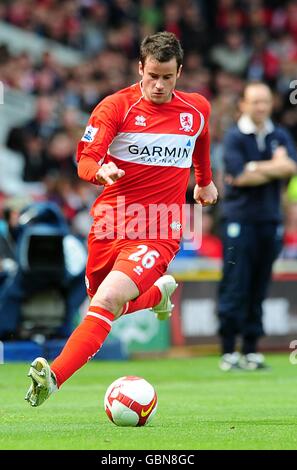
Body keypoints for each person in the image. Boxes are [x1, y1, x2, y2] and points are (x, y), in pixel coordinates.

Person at [25, 31, 218, 406]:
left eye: (167, 77)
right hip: (111, 224)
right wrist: (101, 172)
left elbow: (203, 137)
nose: (159, 85)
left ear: (179, 72)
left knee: (110, 297)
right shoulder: (115, 107)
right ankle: (158, 293)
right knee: (99, 298)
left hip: (161, 226)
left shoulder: (196, 109)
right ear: (140, 68)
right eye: (152, 76)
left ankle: (54, 376)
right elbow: (84, 160)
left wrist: (204, 182)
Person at [218, 81, 297, 371]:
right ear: (243, 104)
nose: (261, 107)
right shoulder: (234, 136)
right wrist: (271, 167)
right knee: (235, 284)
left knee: (259, 287)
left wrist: (255, 167)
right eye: (255, 102)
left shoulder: (278, 134)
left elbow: (291, 167)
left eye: (265, 101)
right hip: (239, 221)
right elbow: (238, 176)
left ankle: (250, 349)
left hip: (269, 221)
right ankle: (228, 351)